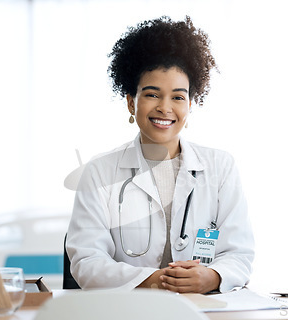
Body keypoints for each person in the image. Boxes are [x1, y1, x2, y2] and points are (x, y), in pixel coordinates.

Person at [66, 16, 255, 293]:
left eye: (178, 97)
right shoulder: (99, 171)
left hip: (204, 309)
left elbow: (239, 253)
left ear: (190, 104)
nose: (165, 108)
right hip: (130, 309)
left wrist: (212, 277)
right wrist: (159, 281)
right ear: (132, 102)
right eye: (152, 94)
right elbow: (88, 262)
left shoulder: (220, 167)